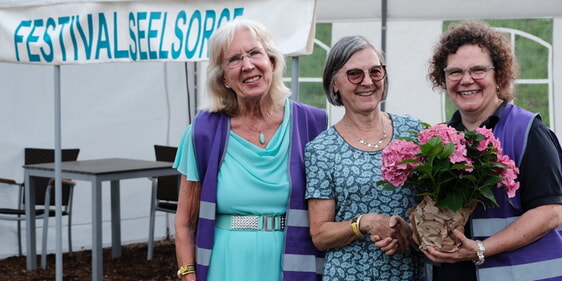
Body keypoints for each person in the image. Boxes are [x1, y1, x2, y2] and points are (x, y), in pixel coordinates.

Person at [173, 19, 327, 281]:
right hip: (225, 264)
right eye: (234, 59)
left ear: (272, 61)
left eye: (255, 53)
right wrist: (187, 274)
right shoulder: (202, 131)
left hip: (293, 265)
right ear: (223, 77)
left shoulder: (313, 124)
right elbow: (185, 222)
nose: (247, 66)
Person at [424, 20, 562, 281]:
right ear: (443, 78)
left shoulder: (527, 130)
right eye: (455, 72)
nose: (466, 80)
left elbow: (550, 212)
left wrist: (480, 248)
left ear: (498, 75)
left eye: (478, 70)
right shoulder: (441, 140)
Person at [304, 35, 426, 281]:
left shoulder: (414, 132)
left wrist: (410, 232)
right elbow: (320, 235)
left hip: (407, 272)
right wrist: (363, 223)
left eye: (375, 71)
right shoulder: (322, 149)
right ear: (334, 83)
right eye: (355, 74)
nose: (367, 81)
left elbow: (433, 207)